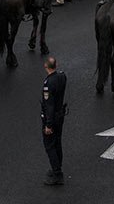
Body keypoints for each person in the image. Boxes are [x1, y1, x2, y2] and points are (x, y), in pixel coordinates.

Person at [40, 55, 67, 186]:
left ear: (46, 66)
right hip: (60, 115)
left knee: (49, 145)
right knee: (57, 142)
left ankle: (57, 173)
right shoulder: (62, 76)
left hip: (52, 118)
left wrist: (48, 125)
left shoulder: (48, 84)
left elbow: (49, 105)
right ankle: (58, 166)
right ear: (56, 65)